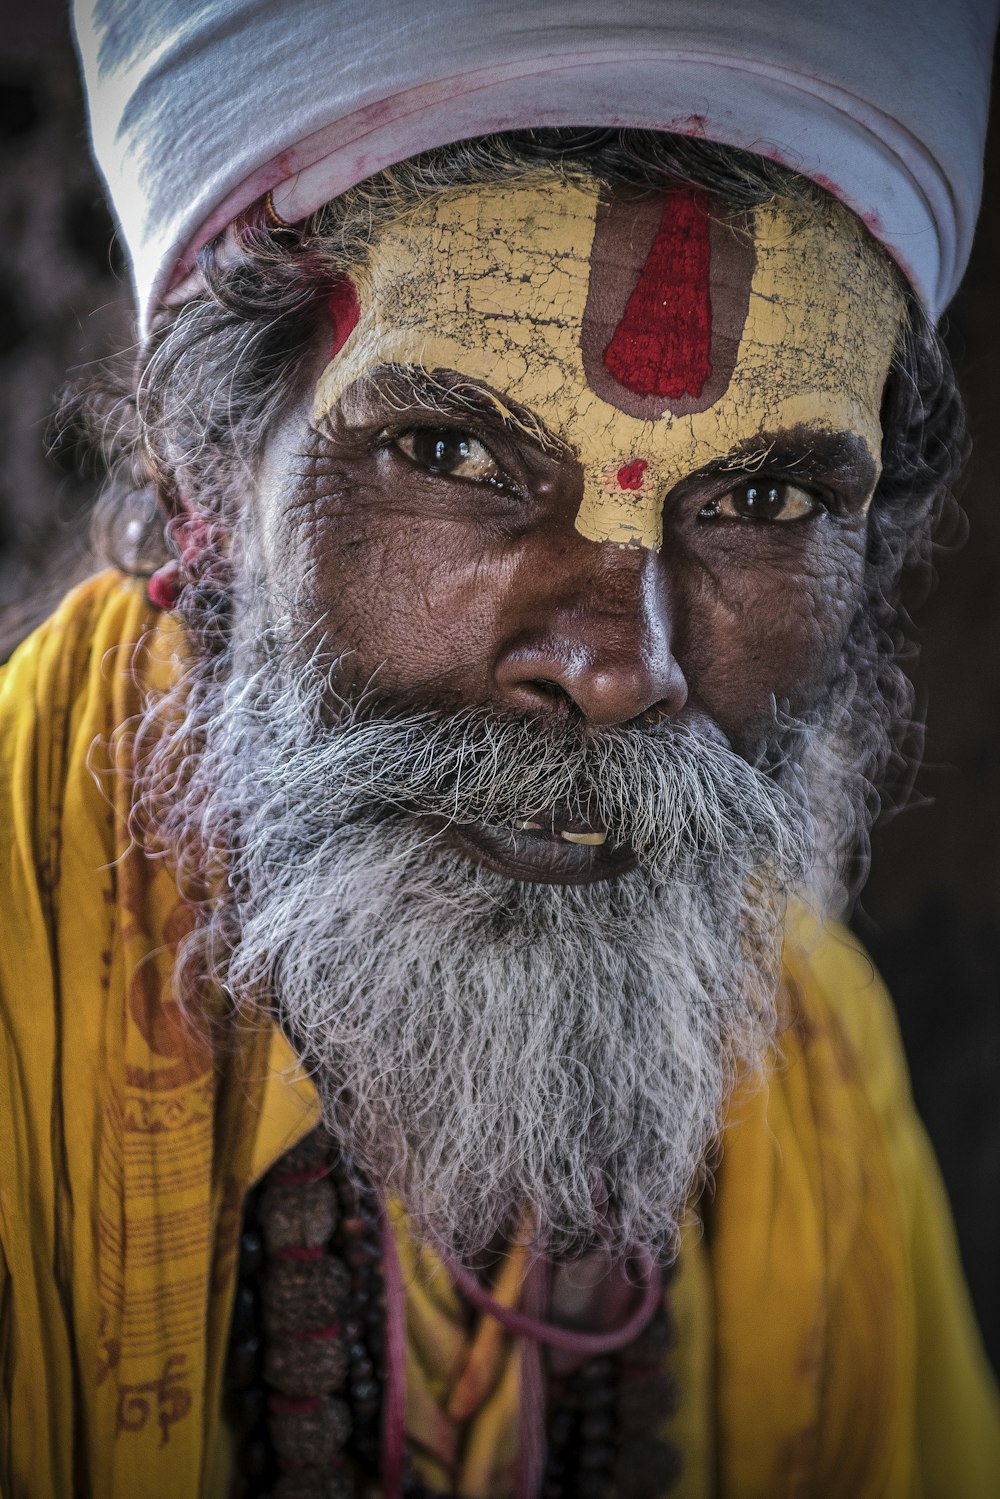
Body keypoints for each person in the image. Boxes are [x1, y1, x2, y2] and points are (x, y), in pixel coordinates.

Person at [2, 2, 999, 1496]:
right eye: (455, 456)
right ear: (203, 471)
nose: (616, 664)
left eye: (765, 501)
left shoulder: (812, 1063)